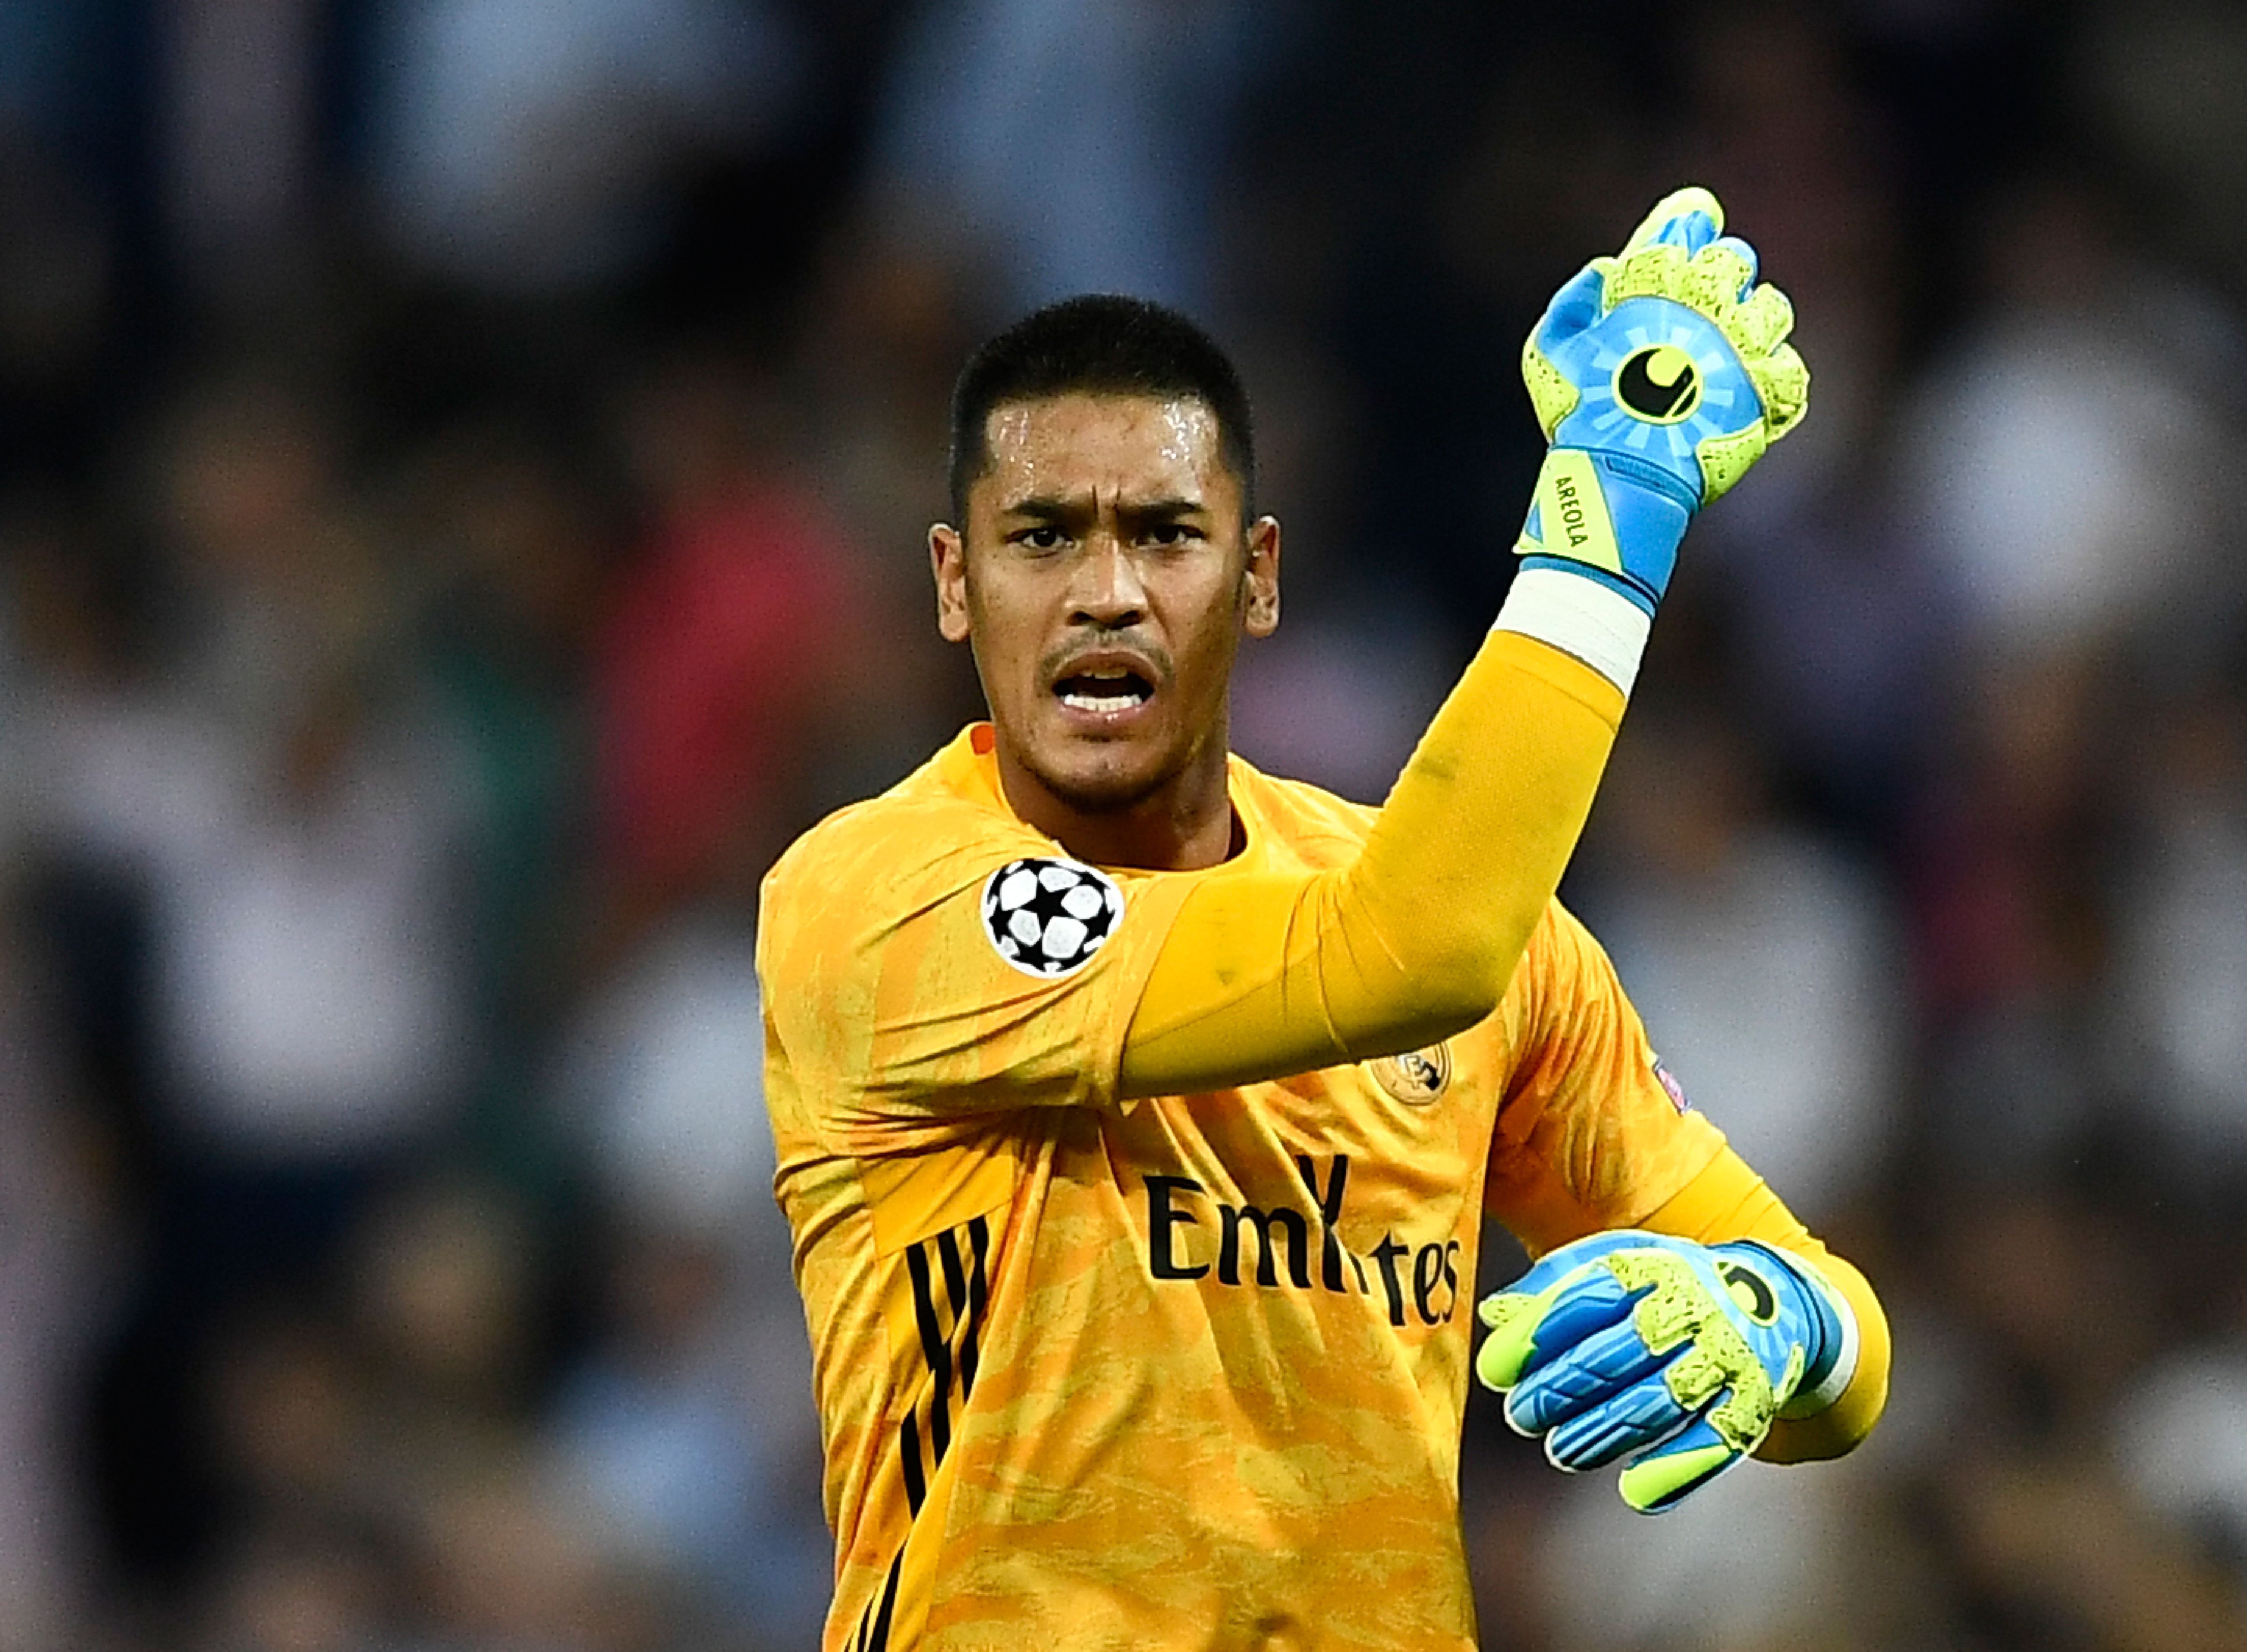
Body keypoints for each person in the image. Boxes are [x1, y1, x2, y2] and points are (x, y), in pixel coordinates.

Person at [757, 188, 1890, 1651]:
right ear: (955, 586)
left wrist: (1773, 1325)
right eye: (1042, 539)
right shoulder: (875, 903)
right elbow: (1411, 955)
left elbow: (1848, 1348)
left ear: (1262, 577)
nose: (1107, 595)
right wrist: (1612, 513)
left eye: (1168, 536)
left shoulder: (1478, 936)